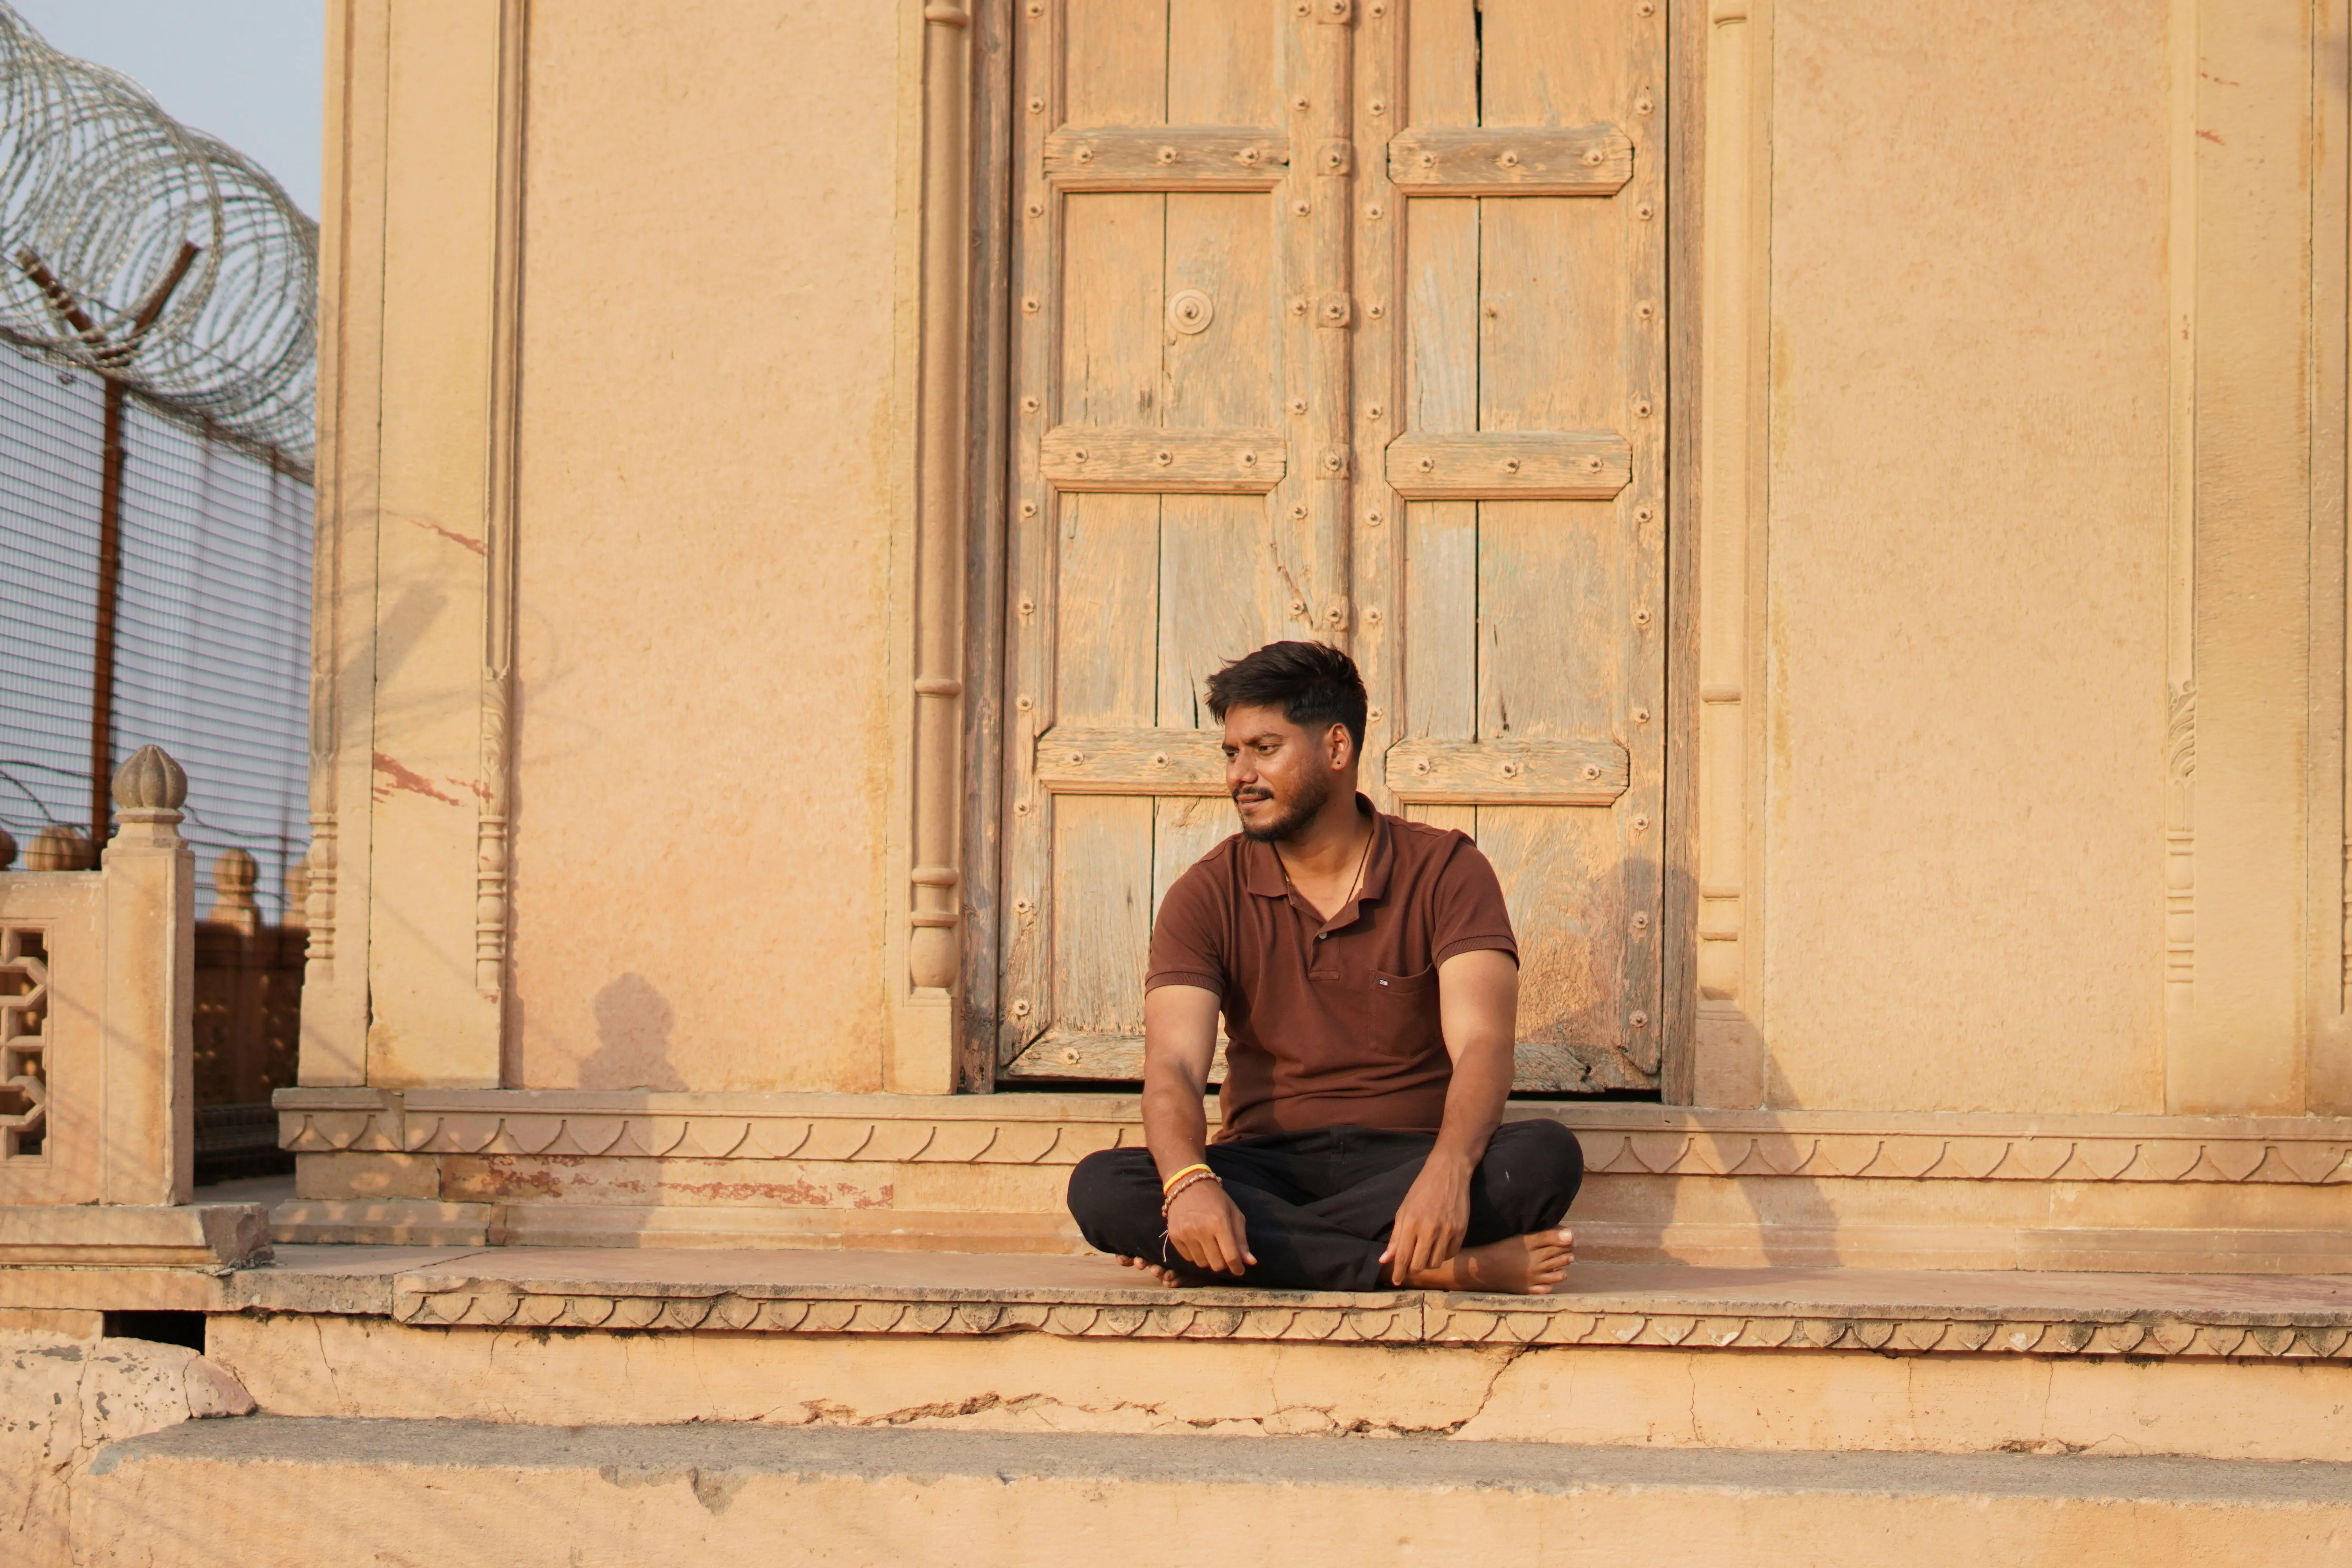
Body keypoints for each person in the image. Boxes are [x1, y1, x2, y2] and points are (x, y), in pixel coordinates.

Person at [1064, 641, 1583, 1294]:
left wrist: (1448, 1172)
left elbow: (1483, 1045)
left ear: (1337, 748)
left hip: (1410, 1159)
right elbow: (1174, 1067)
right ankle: (1432, 1270)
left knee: (1542, 1157)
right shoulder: (1205, 893)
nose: (1239, 775)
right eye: (1231, 753)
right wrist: (1189, 1186)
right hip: (1262, 1166)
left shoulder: (1448, 871)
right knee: (1105, 1188)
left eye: (1264, 748)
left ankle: (1251, 1257)